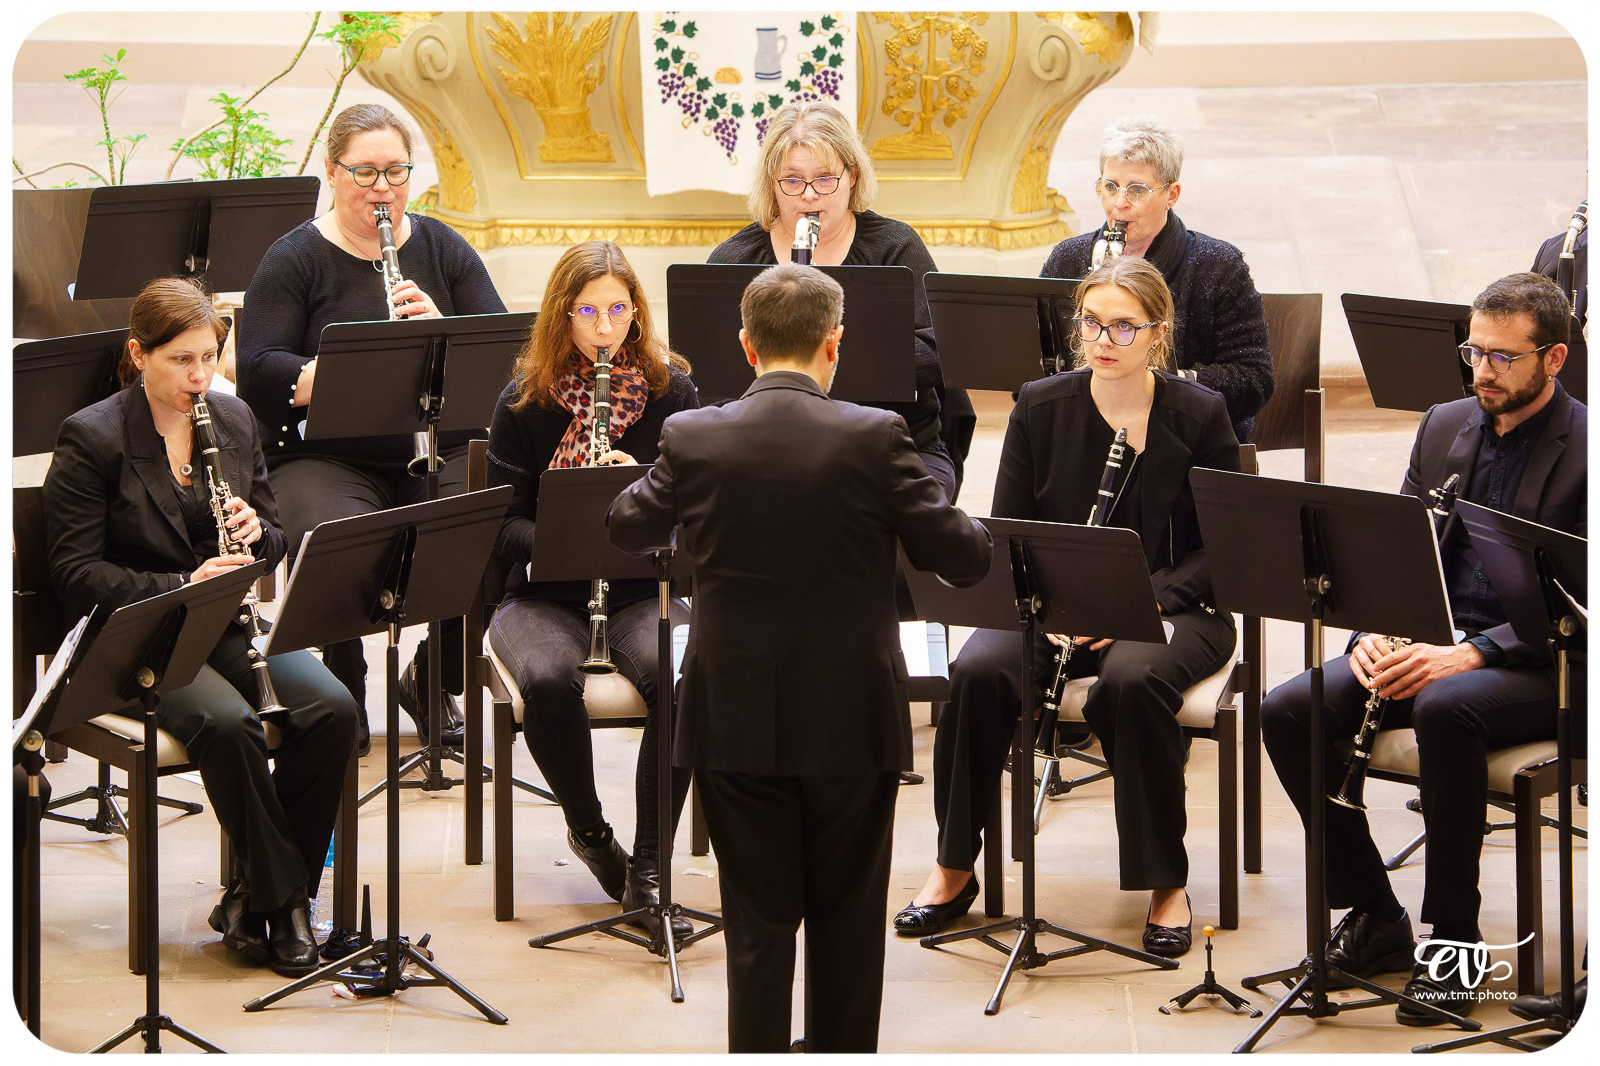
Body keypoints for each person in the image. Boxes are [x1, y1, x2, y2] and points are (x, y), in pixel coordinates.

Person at [609, 264, 991, 1052]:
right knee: (849, 925)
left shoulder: (692, 436)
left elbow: (624, 523)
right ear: (835, 344)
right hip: (851, 715)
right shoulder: (875, 436)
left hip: (732, 714)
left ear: (745, 346)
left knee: (756, 926)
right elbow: (962, 557)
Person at [1260, 272, 1587, 1024]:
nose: (1481, 372)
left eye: (1504, 358)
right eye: (1473, 351)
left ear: (1556, 358)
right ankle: (1377, 916)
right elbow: (1392, 553)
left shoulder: (1587, 447)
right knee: (1288, 708)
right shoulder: (1445, 423)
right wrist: (1372, 628)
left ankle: (1455, 942)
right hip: (1430, 643)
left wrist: (1473, 653)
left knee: (1445, 706)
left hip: (1550, 660)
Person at [897, 257, 1240, 959]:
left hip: (1177, 606)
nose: (1104, 338)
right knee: (977, 672)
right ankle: (953, 865)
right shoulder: (1041, 406)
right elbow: (1009, 530)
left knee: (1131, 681)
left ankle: (1163, 879)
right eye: (1092, 322)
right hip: (1051, 606)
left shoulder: (1198, 414)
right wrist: (1049, 607)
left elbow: (1227, 547)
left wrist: (1141, 601)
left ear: (1158, 334)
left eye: (1123, 325)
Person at [43, 277, 360, 977]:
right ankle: (287, 910)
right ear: (138, 354)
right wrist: (183, 584)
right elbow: (75, 574)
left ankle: (258, 902)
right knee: (228, 724)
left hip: (222, 623)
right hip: (131, 635)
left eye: (210, 357)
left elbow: (275, 538)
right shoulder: (92, 437)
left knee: (334, 708)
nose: (199, 376)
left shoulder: (235, 419)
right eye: (181, 360)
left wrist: (258, 530)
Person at [237, 103, 508, 753]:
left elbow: (505, 358)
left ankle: (431, 677)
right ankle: (343, 680)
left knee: (498, 532)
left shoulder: (443, 247)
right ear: (332, 173)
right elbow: (257, 371)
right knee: (335, 534)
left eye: (396, 172)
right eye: (365, 173)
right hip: (327, 457)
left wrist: (439, 331)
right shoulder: (296, 257)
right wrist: (342, 370)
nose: (382, 189)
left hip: (434, 449)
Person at [485, 241, 698, 935]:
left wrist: (639, 488)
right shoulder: (523, 402)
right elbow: (501, 523)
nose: (604, 328)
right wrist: (567, 530)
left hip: (641, 589)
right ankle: (590, 830)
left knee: (682, 674)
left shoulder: (675, 394)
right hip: (543, 593)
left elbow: (698, 512)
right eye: (588, 311)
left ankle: (650, 865)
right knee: (547, 680)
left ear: (635, 310)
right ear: (563, 316)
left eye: (617, 309)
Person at [708, 100, 973, 501]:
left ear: (851, 175)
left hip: (892, 443)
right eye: (792, 182)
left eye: (825, 179)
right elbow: (709, 371)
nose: (809, 196)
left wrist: (826, 353)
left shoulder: (895, 247)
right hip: (767, 446)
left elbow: (942, 351)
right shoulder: (737, 259)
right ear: (771, 183)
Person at [1040, 115, 1273, 443]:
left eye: (1136, 189)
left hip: (1188, 441)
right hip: (1082, 435)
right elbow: (1035, 363)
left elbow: (1255, 380)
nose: (1119, 203)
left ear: (1172, 194)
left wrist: (1169, 384)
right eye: (1110, 187)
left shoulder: (1219, 266)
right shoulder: (1069, 258)